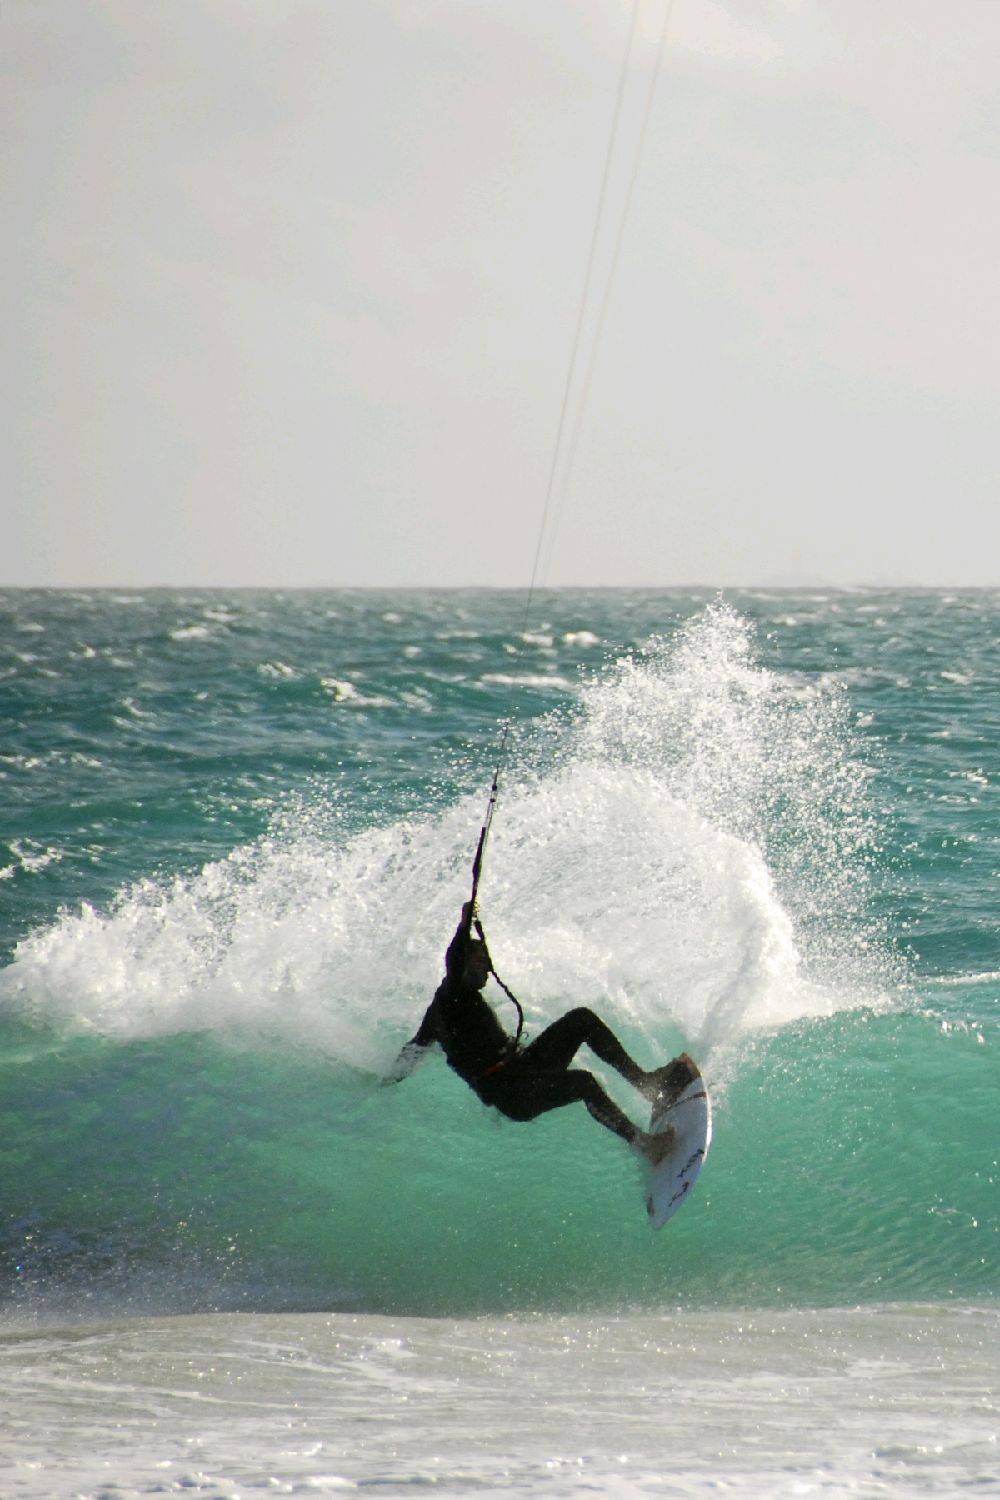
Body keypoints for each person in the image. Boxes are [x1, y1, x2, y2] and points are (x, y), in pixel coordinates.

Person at [386, 901, 696, 1161]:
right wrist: (464, 922)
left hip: (524, 1069)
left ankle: (648, 1085)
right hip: (511, 1093)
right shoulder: (454, 994)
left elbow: (413, 1051)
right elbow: (454, 960)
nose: (488, 970)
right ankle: (643, 1145)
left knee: (582, 1019)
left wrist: (385, 1077)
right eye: (481, 962)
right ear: (465, 964)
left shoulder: (440, 1010)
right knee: (584, 1083)